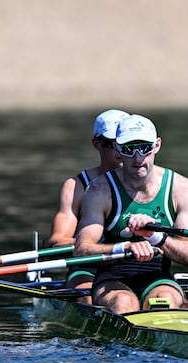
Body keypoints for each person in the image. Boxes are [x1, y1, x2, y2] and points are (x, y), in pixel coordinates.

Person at [74, 114, 188, 314]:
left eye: (145, 148)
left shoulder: (180, 188)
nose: (138, 158)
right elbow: (82, 250)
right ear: (117, 149)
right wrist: (124, 247)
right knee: (123, 303)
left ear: (157, 145)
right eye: (129, 149)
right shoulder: (99, 191)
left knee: (166, 300)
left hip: (158, 277)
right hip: (112, 279)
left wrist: (155, 236)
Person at [48, 109, 129, 303]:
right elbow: (57, 241)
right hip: (88, 266)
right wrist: (103, 249)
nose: (119, 151)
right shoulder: (76, 187)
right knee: (89, 298)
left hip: (133, 264)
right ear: (96, 144)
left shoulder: (149, 185)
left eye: (125, 143)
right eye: (112, 144)